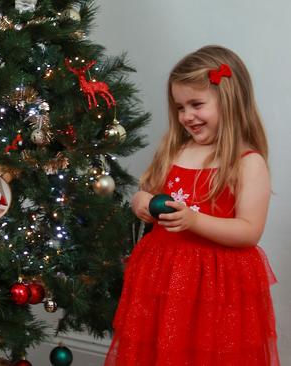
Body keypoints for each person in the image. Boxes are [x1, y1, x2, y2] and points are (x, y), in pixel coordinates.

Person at [105, 45, 279, 365]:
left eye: (196, 104)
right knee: (160, 350)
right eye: (180, 107)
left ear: (229, 100)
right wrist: (141, 200)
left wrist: (195, 221)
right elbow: (152, 192)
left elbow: (249, 231)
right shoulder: (176, 150)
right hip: (165, 278)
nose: (187, 116)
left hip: (216, 287)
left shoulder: (246, 162)